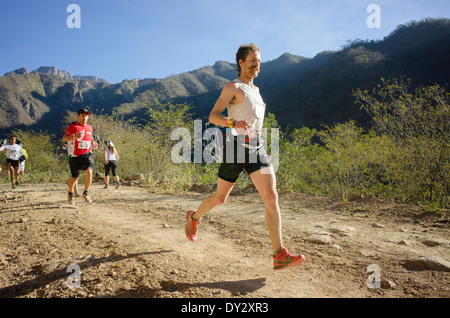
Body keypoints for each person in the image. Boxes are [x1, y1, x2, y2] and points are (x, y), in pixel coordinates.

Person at [185, 43, 305, 270]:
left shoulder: (257, 91)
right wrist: (232, 123)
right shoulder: (233, 87)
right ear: (241, 62)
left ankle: (279, 254)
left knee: (271, 197)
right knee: (220, 198)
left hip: (256, 149)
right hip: (235, 148)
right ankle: (194, 217)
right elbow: (213, 116)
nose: (256, 65)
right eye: (252, 61)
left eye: (259, 61)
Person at [62, 108, 98, 205]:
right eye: (82, 115)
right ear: (78, 116)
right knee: (75, 177)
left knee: (89, 171)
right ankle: (70, 193)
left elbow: (89, 135)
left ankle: (85, 193)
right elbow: (64, 138)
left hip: (87, 153)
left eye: (86, 116)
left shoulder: (90, 127)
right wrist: (74, 137)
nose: (84, 117)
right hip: (75, 155)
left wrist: (93, 141)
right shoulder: (73, 126)